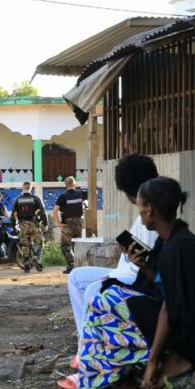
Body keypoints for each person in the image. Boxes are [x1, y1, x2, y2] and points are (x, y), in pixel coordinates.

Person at [65, 177, 195, 389]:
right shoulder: (172, 238)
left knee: (104, 304)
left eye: (140, 207)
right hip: (182, 319)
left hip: (192, 336)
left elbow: (170, 309)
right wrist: (143, 265)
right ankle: (122, 385)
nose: (139, 214)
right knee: (103, 298)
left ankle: (125, 384)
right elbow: (163, 282)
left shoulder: (178, 247)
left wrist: (153, 360)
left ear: (149, 209)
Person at [65, 154, 159, 370]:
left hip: (139, 279)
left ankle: (93, 357)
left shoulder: (154, 212)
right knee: (76, 277)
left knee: (93, 289)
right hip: (125, 271)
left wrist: (123, 265)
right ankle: (84, 346)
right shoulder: (141, 214)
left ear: (129, 193)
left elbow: (148, 264)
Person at [11, 181, 47, 273]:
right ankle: (35, 258)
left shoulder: (17, 200)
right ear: (30, 188)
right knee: (39, 242)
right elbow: (42, 211)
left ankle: (26, 265)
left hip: (23, 225)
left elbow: (13, 215)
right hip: (34, 224)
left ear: (22, 188)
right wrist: (45, 223)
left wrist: (14, 227)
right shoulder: (35, 199)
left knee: (26, 244)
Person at [53, 176, 85, 274]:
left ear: (65, 185)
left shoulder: (62, 197)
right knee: (78, 245)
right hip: (79, 223)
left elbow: (55, 211)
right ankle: (80, 265)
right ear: (75, 184)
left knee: (66, 246)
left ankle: (72, 265)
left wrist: (58, 223)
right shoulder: (81, 194)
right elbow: (94, 193)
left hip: (67, 223)